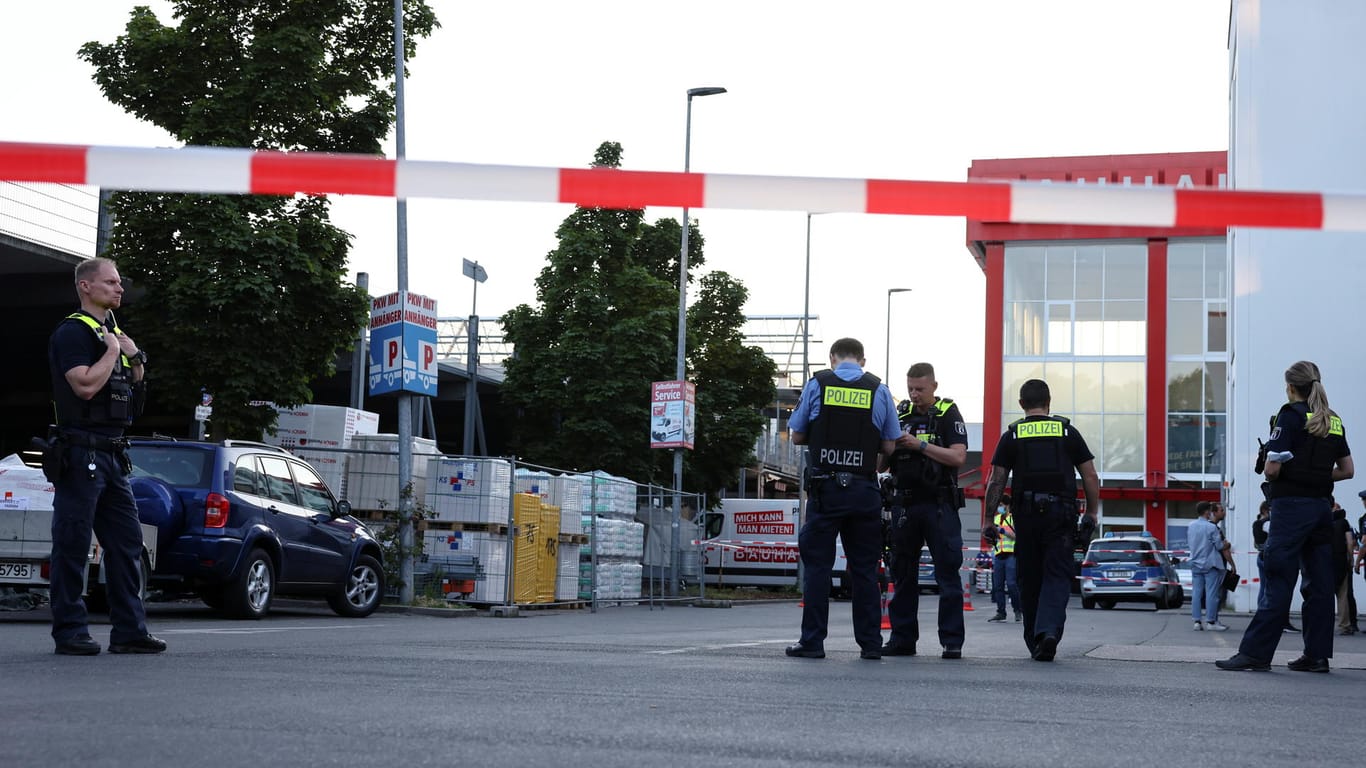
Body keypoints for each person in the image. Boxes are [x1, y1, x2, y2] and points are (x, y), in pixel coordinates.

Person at [46, 257, 165, 656]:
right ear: (86, 287)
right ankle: (70, 631)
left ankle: (130, 631)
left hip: (113, 454)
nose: (120, 289)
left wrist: (136, 357)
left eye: (120, 283)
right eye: (111, 282)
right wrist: (115, 350)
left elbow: (130, 387)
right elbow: (83, 385)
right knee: (73, 544)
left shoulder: (110, 331)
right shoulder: (74, 332)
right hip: (81, 452)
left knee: (128, 544)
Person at [1218, 361, 1352, 673]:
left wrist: (1279, 467)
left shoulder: (1288, 415)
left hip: (1291, 508)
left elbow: (1273, 469)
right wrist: (1317, 476)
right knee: (1319, 585)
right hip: (1322, 508)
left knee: (1278, 579)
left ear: (1290, 386)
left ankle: (1255, 654)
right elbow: (1347, 471)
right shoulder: (1333, 421)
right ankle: (1316, 657)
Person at [786, 338, 900, 660]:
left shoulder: (818, 383)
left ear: (832, 357)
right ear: (862, 359)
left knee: (819, 568)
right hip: (864, 491)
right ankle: (871, 645)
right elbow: (890, 446)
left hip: (826, 490)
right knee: (865, 570)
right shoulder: (879, 389)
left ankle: (812, 642)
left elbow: (796, 435)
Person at [981, 379, 1100, 662]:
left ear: (1021, 404)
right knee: (1056, 575)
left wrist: (988, 518)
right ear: (1049, 403)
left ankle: (1035, 635)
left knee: (1030, 576)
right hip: (1061, 514)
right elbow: (1090, 476)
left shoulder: (1012, 436)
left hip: (1026, 515)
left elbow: (996, 479)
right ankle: (1047, 632)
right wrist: (1092, 513)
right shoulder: (1067, 432)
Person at [879, 363, 969, 659]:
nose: (915, 395)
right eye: (910, 389)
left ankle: (951, 642)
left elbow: (957, 456)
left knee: (947, 574)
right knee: (902, 573)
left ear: (934, 386)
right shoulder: (900, 414)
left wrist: (919, 445)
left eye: (920, 389)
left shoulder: (947, 412)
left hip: (939, 504)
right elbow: (881, 465)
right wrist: (888, 445)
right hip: (904, 503)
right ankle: (902, 639)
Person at [1188, 501, 1231, 631]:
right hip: (1210, 563)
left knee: (1196, 593)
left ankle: (1196, 621)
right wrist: (1226, 545)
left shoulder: (1191, 526)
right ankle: (1211, 621)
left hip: (1195, 562)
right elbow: (1218, 546)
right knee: (1211, 593)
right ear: (1207, 512)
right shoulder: (1211, 527)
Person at [987, 496, 1022, 623]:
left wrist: (1001, 530)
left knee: (1012, 584)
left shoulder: (1013, 519)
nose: (999, 508)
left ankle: (1018, 610)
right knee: (997, 586)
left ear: (1007, 506)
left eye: (1001, 505)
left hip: (1010, 555)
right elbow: (992, 538)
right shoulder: (995, 519)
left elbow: (1015, 536)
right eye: (998, 505)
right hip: (998, 555)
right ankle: (1001, 612)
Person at [1330, 499, 1358, 635]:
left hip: (1326, 561)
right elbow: (1350, 543)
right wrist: (1351, 558)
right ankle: (1345, 625)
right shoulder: (1344, 523)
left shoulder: (1324, 522)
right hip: (1340, 560)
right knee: (1343, 594)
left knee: (1326, 593)